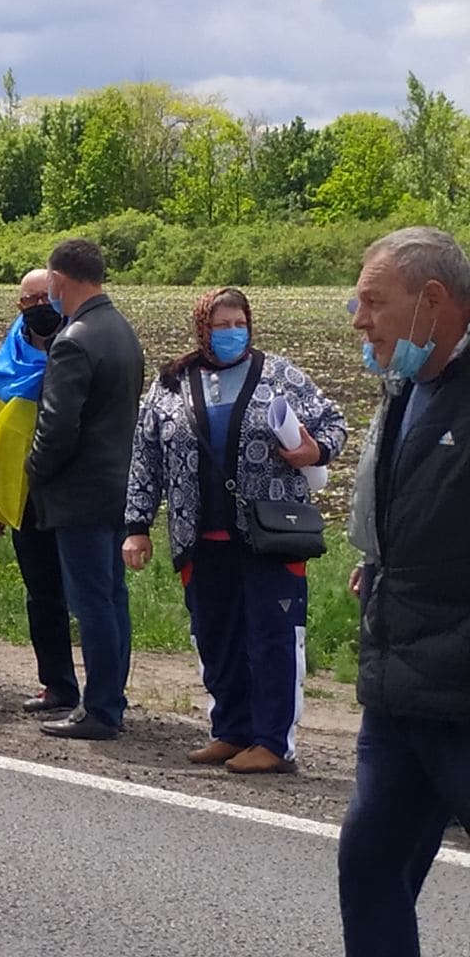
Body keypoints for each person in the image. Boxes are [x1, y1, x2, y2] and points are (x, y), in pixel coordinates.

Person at [123, 288, 346, 773]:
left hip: (270, 535)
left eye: (238, 323)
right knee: (215, 635)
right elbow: (145, 459)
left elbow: (333, 423)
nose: (230, 333)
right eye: (220, 325)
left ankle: (273, 741)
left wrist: (314, 452)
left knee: (272, 637)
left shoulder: (280, 375)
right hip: (199, 536)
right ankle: (231, 730)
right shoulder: (171, 384)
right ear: (202, 328)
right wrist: (136, 526)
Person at [337, 226, 470, 957]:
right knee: (370, 869)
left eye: (372, 303)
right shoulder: (408, 386)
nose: (360, 322)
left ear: (433, 301)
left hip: (459, 688)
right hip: (399, 688)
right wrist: (386, 564)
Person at [26, 239, 144, 741]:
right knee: (112, 597)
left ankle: (98, 709)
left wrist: (33, 471)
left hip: (79, 491)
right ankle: (111, 696)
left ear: (59, 281)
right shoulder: (121, 330)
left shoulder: (74, 339)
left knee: (91, 601)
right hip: (118, 487)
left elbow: (57, 427)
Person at [0, 269, 78, 716]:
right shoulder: (9, 356)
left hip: (72, 491)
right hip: (23, 496)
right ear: (19, 307)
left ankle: (104, 691)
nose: (39, 306)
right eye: (29, 300)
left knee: (89, 596)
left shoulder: (78, 348)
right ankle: (56, 685)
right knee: (42, 596)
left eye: (46, 297)